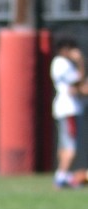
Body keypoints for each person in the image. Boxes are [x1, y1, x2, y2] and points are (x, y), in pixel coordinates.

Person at [50, 36, 86, 189]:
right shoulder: (61, 63)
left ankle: (62, 176)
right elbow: (77, 85)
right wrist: (81, 62)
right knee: (70, 147)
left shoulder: (62, 64)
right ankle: (62, 177)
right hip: (68, 108)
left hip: (65, 109)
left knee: (65, 145)